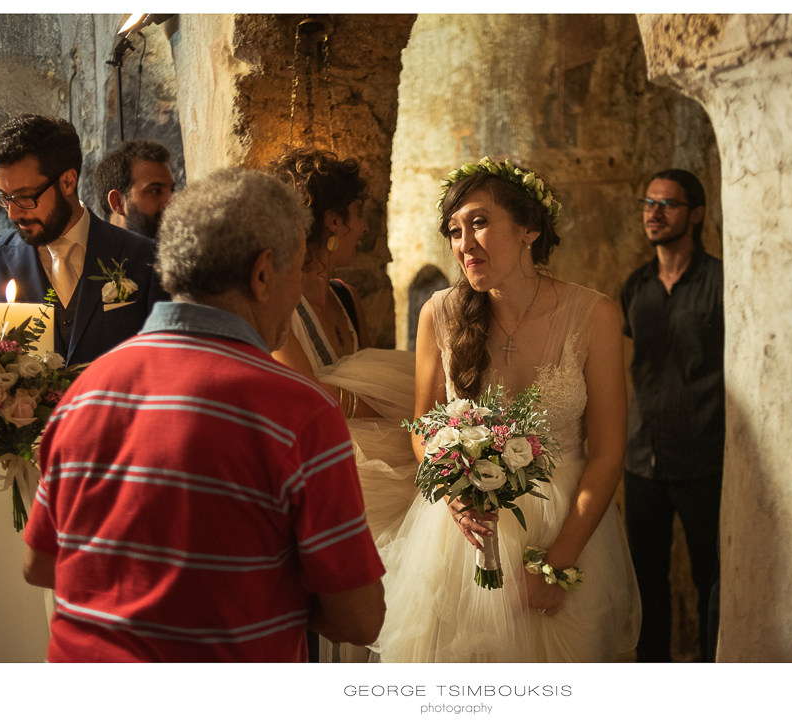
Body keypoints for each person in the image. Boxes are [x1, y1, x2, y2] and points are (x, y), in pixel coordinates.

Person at [20, 167, 386, 662]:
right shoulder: (299, 412)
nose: (297, 289)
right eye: (296, 270)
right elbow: (360, 619)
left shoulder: (84, 393)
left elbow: (40, 565)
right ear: (262, 274)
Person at [373, 158, 641, 662]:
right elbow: (422, 426)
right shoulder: (439, 315)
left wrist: (556, 565)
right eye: (453, 231)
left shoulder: (594, 315)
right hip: (463, 538)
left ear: (529, 229)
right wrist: (450, 493)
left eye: (478, 222)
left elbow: (607, 452)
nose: (463, 243)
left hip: (567, 529)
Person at [270, 147, 418, 663]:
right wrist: (398, 405)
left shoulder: (345, 294)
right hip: (328, 475)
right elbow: (307, 397)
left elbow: (358, 377)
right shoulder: (281, 302)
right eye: (358, 215)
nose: (362, 229)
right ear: (332, 218)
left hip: (381, 473)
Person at [620, 169, 724, 662]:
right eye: (649, 202)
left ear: (697, 214)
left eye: (667, 204)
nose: (654, 212)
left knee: (713, 578)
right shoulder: (635, 286)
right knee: (645, 584)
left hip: (705, 457)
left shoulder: (720, 283)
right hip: (643, 460)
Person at [0, 114, 169, 366]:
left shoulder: (145, 257)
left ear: (67, 181)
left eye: (24, 196)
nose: (13, 213)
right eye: (3, 197)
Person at [92, 139, 176, 239]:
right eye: (156, 191)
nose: (171, 203)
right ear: (117, 202)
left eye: (172, 190)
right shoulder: (87, 253)